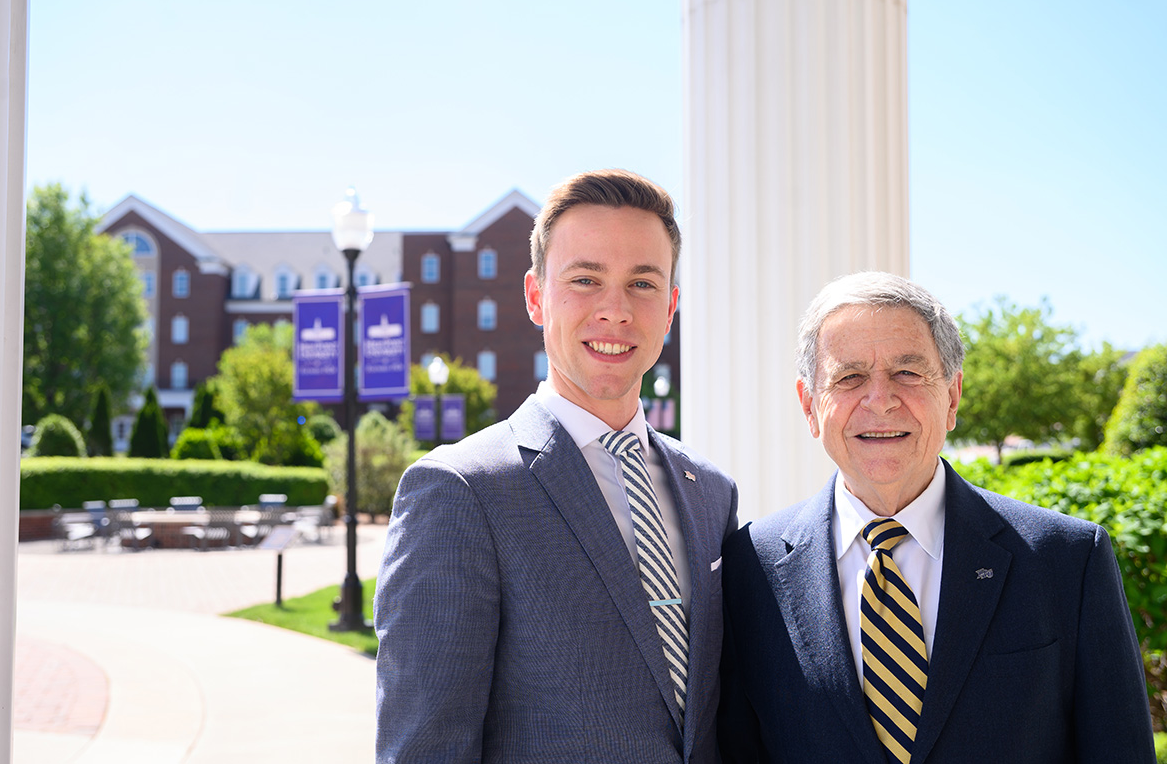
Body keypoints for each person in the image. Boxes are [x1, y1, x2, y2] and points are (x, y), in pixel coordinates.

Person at [375, 169, 739, 763]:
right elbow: (424, 749)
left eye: (643, 284)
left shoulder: (711, 493)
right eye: (585, 279)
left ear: (671, 307)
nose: (616, 311)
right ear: (536, 296)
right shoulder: (459, 492)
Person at [718, 271, 1154, 763]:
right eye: (849, 377)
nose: (880, 399)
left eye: (907, 373)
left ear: (952, 395)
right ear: (809, 406)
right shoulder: (748, 567)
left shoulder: (1067, 559)